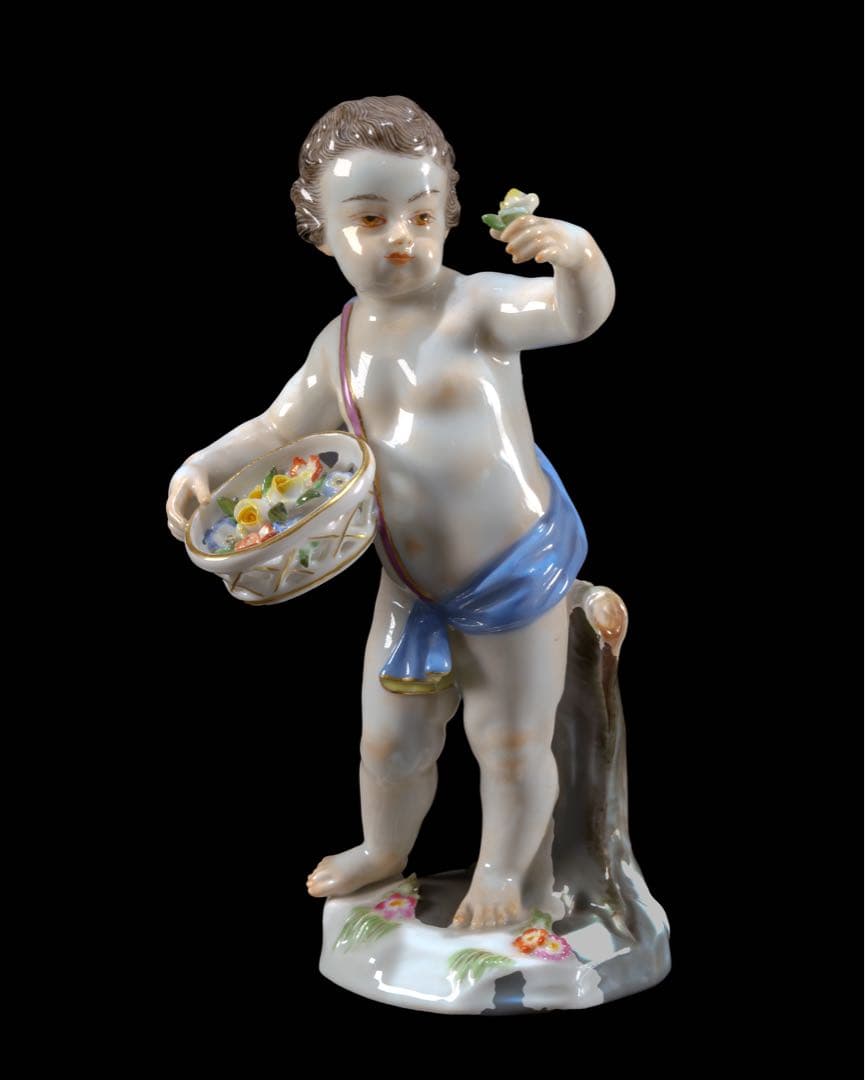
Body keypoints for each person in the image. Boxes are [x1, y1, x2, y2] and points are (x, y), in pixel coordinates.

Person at [166, 95, 616, 930]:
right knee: (387, 741)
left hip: (515, 572)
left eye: (420, 214)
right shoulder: (338, 343)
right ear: (322, 232)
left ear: (447, 214)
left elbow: (572, 315)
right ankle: (383, 848)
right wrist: (202, 465)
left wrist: (578, 258)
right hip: (413, 585)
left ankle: (502, 872)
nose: (401, 237)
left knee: (509, 742)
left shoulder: (476, 306)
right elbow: (277, 426)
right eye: (370, 219)